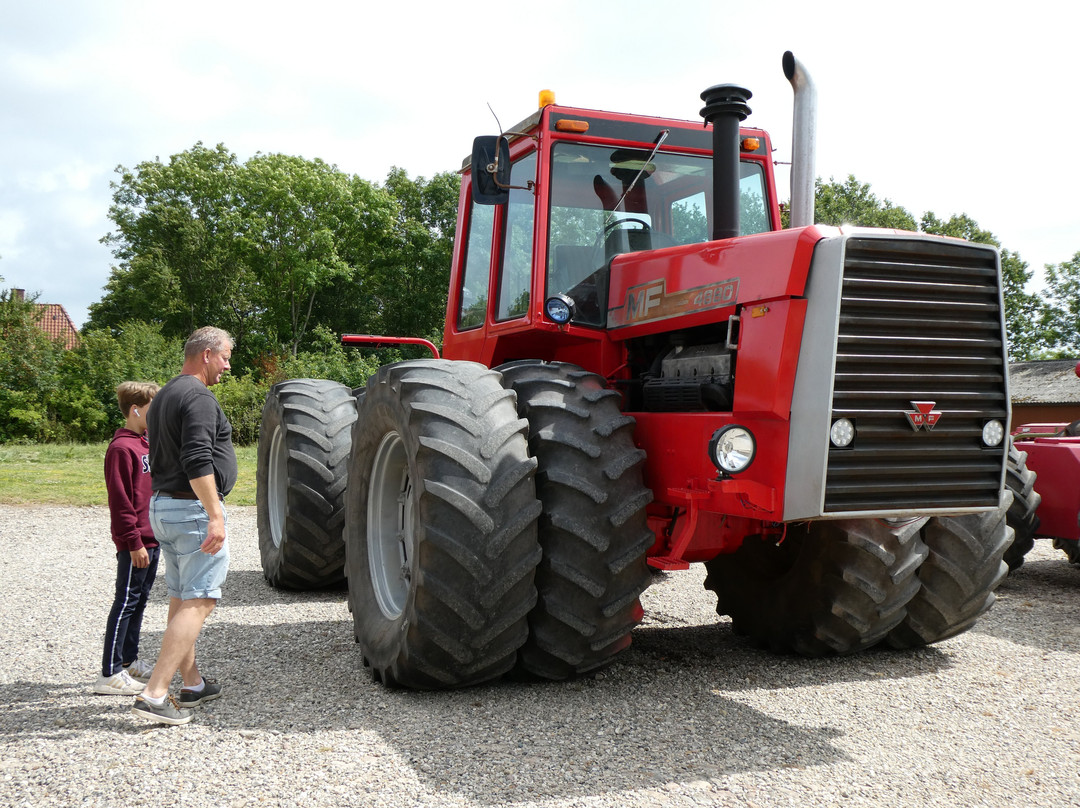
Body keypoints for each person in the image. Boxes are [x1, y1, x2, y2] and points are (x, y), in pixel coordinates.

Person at [132, 327, 237, 725]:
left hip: (163, 507)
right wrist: (214, 514)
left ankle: (191, 683)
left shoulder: (165, 397)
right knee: (201, 600)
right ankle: (155, 694)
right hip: (191, 509)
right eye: (225, 356)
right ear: (207, 354)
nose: (228, 365)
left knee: (180, 597)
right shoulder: (198, 397)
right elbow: (197, 459)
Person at [94, 381, 161, 696]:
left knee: (140, 600)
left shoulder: (145, 442)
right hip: (135, 543)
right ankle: (110, 673)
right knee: (125, 602)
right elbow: (120, 503)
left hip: (152, 538)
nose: (157, 414)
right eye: (152, 409)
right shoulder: (122, 448)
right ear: (135, 410)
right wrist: (133, 542)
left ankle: (130, 660)